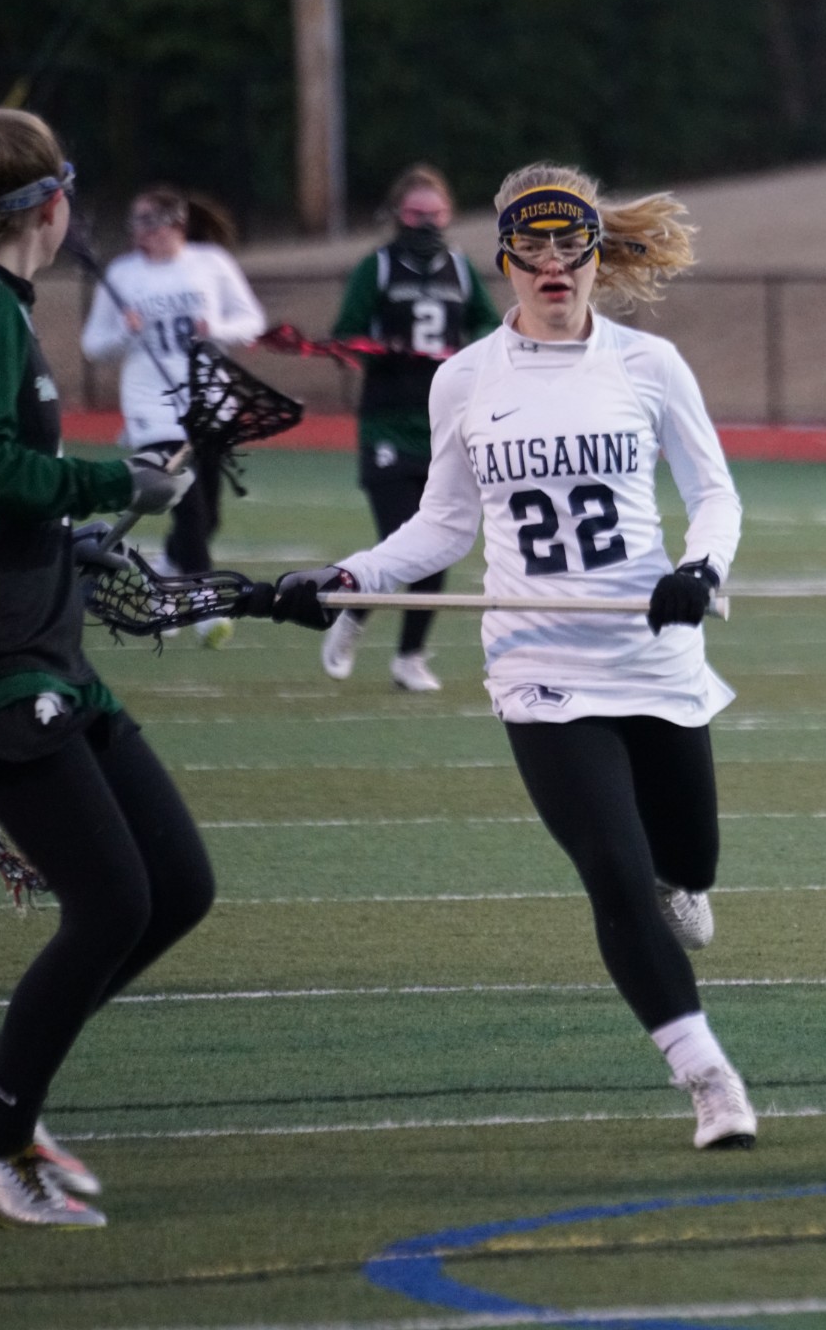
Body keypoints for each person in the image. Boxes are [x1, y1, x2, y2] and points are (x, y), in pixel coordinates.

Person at [269, 163, 757, 1148]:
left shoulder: (647, 365)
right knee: (615, 878)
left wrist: (701, 571)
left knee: (686, 867)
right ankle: (709, 1080)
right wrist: (349, 576)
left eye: (566, 245)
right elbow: (442, 523)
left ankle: (686, 878)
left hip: (651, 645)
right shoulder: (467, 377)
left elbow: (714, 493)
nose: (550, 265)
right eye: (529, 249)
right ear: (502, 260)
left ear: (592, 253)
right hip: (538, 664)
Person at [0, 109, 205, 1227]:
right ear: (52, 205)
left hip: (38, 645)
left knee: (175, 887)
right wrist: (111, 486)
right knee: (111, 900)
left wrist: (66, 538)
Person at [321, 165, 500, 692]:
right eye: (416, 214)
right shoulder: (376, 269)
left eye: (436, 214)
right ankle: (354, 614)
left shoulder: (461, 270)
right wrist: (381, 350)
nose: (426, 224)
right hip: (387, 422)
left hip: (445, 427)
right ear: (398, 215)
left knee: (441, 542)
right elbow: (344, 338)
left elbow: (490, 325)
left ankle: (410, 656)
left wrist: (468, 353)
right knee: (402, 539)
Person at [79, 182, 266, 647]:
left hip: (207, 402)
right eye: (134, 222)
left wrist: (215, 330)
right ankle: (204, 610)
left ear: (173, 224)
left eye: (146, 221)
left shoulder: (210, 265)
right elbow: (93, 345)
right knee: (188, 505)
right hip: (151, 407)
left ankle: (164, 572)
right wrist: (125, 333)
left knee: (208, 516)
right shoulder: (123, 275)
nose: (137, 232)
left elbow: (252, 321)